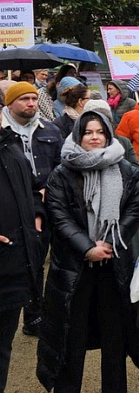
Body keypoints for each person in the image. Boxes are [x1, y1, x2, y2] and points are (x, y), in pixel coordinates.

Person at [36, 111, 139, 392]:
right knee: (70, 339)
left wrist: (109, 241)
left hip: (113, 266)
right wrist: (87, 248)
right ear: (78, 136)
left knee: (115, 339)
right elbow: (58, 215)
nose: (95, 137)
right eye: (88, 132)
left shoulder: (126, 170)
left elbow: (136, 206)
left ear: (108, 135)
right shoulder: (63, 172)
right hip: (74, 268)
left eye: (100, 132)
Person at [0, 81, 64, 337]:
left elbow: (61, 164)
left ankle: (34, 314)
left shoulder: (51, 129)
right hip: (13, 209)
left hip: (43, 205)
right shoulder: (6, 135)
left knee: (38, 260)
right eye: (24, 99)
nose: (31, 103)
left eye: (34, 98)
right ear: (9, 104)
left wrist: (49, 190)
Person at [0, 125, 45, 393]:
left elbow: (32, 189)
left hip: (15, 263)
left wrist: (36, 216)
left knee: (2, 345)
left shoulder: (11, 145)